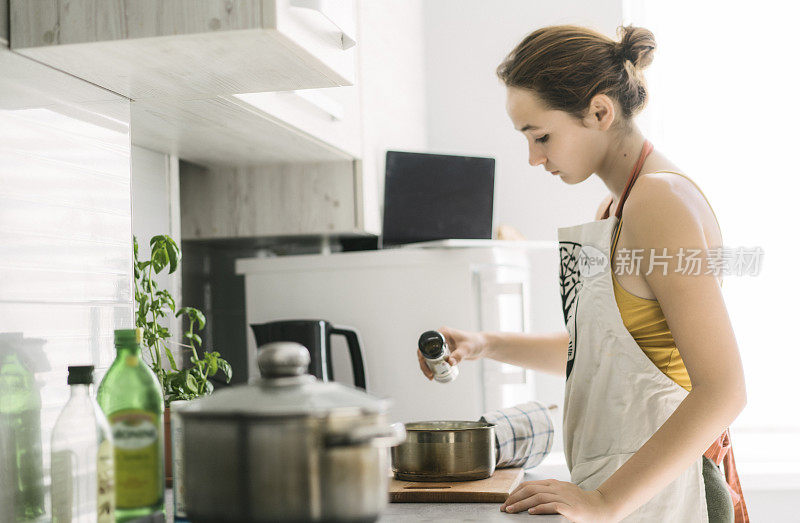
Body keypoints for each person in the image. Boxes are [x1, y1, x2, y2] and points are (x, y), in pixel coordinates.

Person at [417, 24, 748, 523]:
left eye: (541, 136)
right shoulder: (615, 207)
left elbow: (724, 390)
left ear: (599, 111)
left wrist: (605, 502)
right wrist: (485, 343)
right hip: (630, 493)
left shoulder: (660, 201)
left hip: (669, 498)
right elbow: (601, 355)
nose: (534, 157)